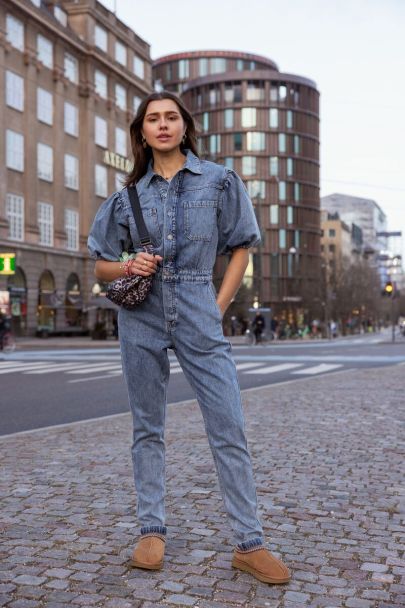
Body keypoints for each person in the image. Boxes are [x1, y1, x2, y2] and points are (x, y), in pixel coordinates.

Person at [88, 91, 290, 585]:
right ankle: (151, 531)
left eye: (170, 117)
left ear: (184, 126)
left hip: (199, 302)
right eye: (152, 119)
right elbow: (99, 265)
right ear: (141, 132)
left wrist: (216, 308)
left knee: (228, 425)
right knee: (147, 427)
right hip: (141, 315)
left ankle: (250, 542)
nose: (162, 125)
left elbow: (242, 247)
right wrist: (128, 263)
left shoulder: (220, 182)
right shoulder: (124, 197)